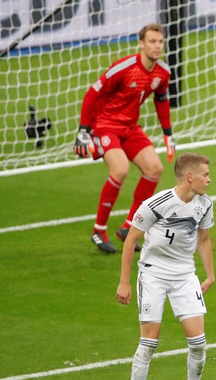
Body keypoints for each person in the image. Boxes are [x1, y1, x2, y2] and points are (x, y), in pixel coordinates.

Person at [116, 153, 215, 380]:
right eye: (205, 175)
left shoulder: (205, 204)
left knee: (198, 342)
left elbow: (204, 239)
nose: (209, 180)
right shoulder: (156, 204)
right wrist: (125, 281)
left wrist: (210, 274)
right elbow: (130, 240)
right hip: (153, 274)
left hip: (185, 276)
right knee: (149, 343)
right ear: (190, 177)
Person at [74, 23, 176, 254]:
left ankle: (129, 226)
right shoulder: (124, 67)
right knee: (119, 169)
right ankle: (99, 230)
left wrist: (168, 134)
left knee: (154, 168)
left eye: (160, 41)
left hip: (130, 127)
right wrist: (83, 131)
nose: (157, 46)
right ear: (141, 43)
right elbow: (92, 94)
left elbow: (161, 101)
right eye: (152, 41)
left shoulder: (163, 73)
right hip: (105, 125)